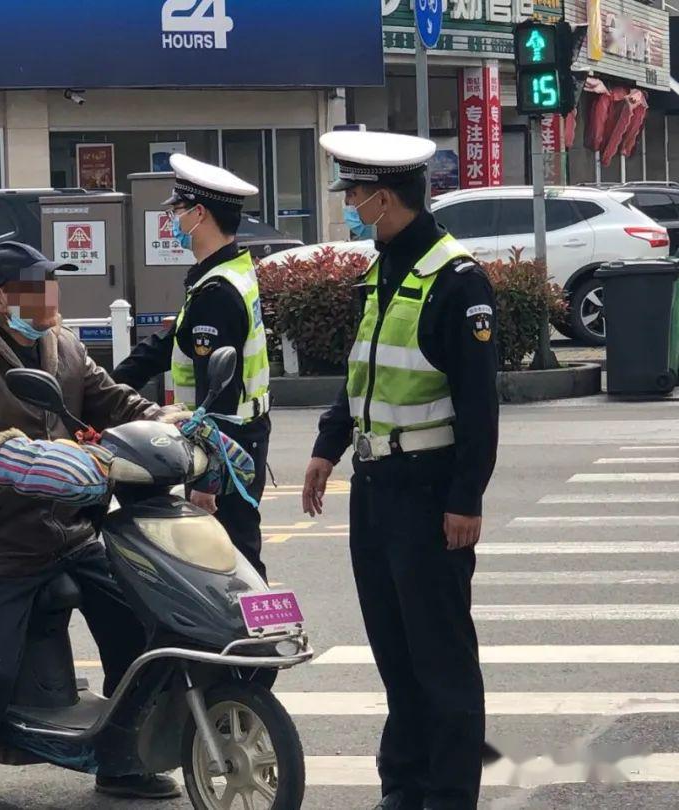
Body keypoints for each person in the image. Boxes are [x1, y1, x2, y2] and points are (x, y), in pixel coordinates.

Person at [0, 241, 181, 809]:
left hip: (71, 531)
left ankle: (119, 762)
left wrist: (162, 422)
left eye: (52, 289)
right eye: (37, 290)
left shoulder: (62, 344)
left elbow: (111, 400)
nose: (49, 301)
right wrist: (4, 455)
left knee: (139, 635)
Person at [302, 131, 499, 810]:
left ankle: (447, 796)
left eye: (354, 195)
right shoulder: (381, 270)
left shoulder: (455, 279)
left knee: (441, 661)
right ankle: (405, 786)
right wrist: (328, 448)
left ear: (384, 198)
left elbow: (480, 405)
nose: (350, 207)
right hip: (375, 487)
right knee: (394, 652)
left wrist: (466, 498)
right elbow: (361, 373)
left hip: (428, 489)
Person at [112, 154, 273, 580]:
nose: (173, 222)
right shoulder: (227, 273)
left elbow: (215, 392)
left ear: (200, 215)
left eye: (178, 212)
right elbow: (170, 344)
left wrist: (207, 482)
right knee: (229, 551)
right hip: (241, 434)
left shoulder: (217, 292)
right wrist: (107, 389)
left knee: (230, 557)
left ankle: (258, 638)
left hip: (225, 444)